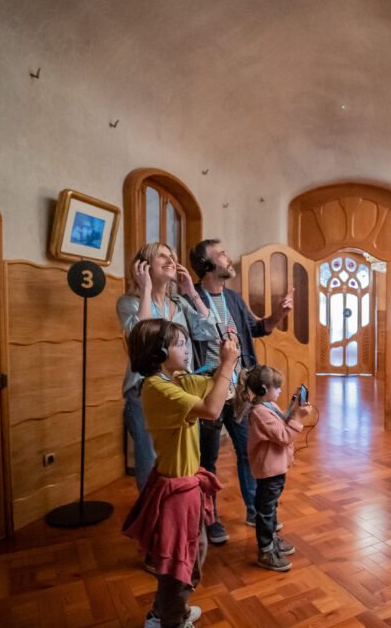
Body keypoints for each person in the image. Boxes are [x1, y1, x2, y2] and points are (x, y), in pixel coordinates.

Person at [123, 318, 238, 628]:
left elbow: (219, 392)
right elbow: (212, 410)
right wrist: (226, 366)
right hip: (175, 490)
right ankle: (172, 620)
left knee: (195, 550)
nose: (187, 350)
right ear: (159, 351)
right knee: (178, 564)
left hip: (187, 484)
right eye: (180, 344)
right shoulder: (157, 388)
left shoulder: (176, 380)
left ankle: (161, 614)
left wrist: (225, 370)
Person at [187, 239, 293, 544]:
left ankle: (254, 510)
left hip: (241, 393)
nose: (228, 257)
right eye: (221, 254)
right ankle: (210, 520)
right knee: (207, 461)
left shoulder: (232, 298)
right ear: (207, 265)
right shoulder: (190, 297)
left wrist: (278, 314)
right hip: (209, 390)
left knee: (249, 452)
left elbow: (258, 328)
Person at [117, 242, 220, 491]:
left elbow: (210, 329)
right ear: (143, 266)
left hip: (181, 387)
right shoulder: (128, 302)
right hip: (144, 391)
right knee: (152, 461)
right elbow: (141, 338)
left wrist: (191, 292)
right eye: (162, 256)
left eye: (172, 255)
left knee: (182, 456)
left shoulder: (180, 303)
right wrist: (146, 290)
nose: (171, 259)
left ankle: (177, 511)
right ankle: (153, 518)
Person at [241, 365, 313, 572]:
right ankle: (265, 550)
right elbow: (283, 436)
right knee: (265, 510)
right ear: (263, 389)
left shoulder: (268, 406)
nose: (280, 390)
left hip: (276, 469)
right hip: (269, 470)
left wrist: (292, 408)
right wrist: (298, 418)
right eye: (277, 387)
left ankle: (271, 539)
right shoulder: (259, 413)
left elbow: (281, 422)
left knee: (270, 507)